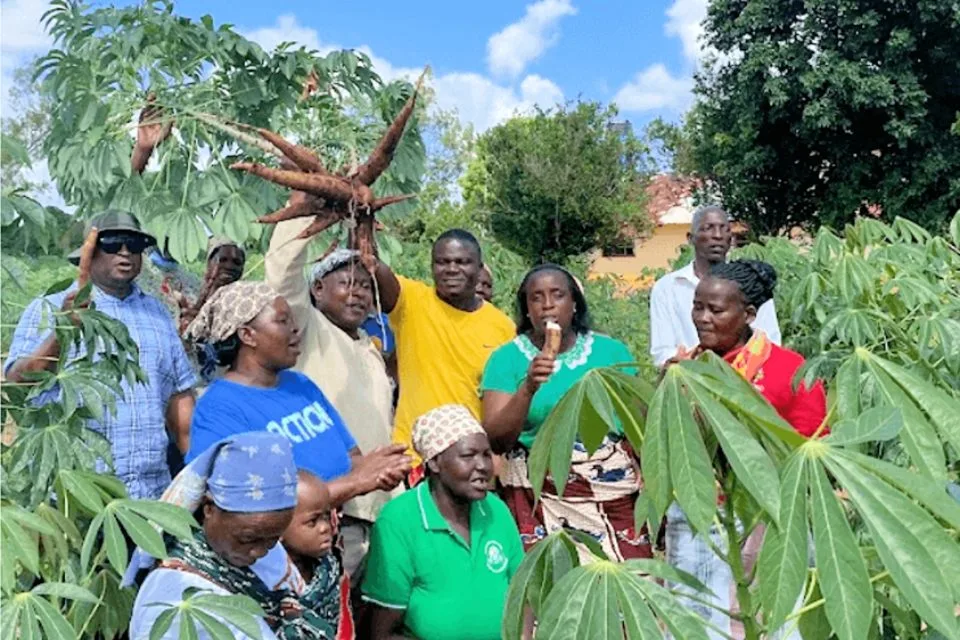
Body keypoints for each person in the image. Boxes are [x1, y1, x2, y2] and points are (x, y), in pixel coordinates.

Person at [665, 259, 826, 640]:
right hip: (696, 511)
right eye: (697, 306)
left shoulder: (789, 370)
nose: (702, 318)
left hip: (765, 517)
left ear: (749, 314)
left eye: (715, 310)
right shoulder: (683, 369)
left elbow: (809, 448)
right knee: (693, 619)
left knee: (767, 619)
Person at [4, 211, 196, 500]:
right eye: (113, 243)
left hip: (152, 492)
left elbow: (179, 396)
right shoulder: (48, 308)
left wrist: (196, 466)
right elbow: (18, 381)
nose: (125, 252)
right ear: (89, 253)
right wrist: (64, 329)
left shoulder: (157, 312)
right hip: (77, 493)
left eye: (133, 244)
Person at [184, 281, 410, 519]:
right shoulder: (219, 409)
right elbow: (247, 501)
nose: (295, 330)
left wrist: (376, 470)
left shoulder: (301, 386)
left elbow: (351, 458)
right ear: (248, 335)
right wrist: (355, 483)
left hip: (333, 533)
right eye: (282, 321)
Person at [480, 264, 652, 560]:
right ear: (526, 309)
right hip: (537, 495)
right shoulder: (506, 359)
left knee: (629, 582)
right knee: (552, 588)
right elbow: (496, 439)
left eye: (557, 295)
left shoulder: (611, 352)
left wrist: (650, 476)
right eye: (536, 298)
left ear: (574, 304)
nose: (547, 305)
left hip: (610, 490)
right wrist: (528, 387)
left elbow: (639, 424)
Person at [266, 217, 399, 580]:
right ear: (319, 289)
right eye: (346, 284)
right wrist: (306, 214)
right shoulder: (309, 329)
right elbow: (282, 272)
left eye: (365, 287)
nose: (357, 294)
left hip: (377, 507)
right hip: (330, 511)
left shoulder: (369, 348)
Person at [127, 431, 331, 639]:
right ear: (209, 509)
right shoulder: (173, 594)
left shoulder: (267, 552)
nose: (260, 552)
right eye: (247, 539)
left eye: (272, 540)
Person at [360, 405, 523, 640]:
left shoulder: (495, 509)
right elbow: (381, 632)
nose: (482, 466)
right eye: (468, 456)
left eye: (486, 454)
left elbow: (522, 591)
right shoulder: (399, 520)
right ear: (435, 463)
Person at [371, 229, 515, 467]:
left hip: (471, 464)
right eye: (442, 262)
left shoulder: (503, 327)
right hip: (413, 460)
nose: (451, 269)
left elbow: (503, 405)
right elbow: (371, 266)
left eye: (462, 262)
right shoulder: (411, 301)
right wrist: (362, 217)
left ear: (479, 269)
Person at [649, 205, 781, 368]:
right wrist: (688, 364)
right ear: (691, 238)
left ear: (731, 239)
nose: (717, 236)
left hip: (745, 378)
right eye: (708, 228)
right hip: (689, 379)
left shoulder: (752, 285)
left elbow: (769, 341)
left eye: (724, 229)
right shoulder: (667, 288)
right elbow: (663, 351)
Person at [281, 470, 347, 639]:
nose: (325, 527)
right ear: (278, 526)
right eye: (313, 521)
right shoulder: (265, 580)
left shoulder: (328, 569)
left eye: (326, 517)